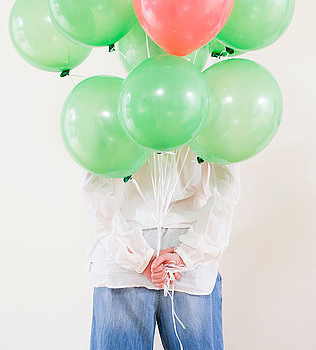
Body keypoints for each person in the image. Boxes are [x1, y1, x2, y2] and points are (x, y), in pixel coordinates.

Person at [82, 145, 241, 350]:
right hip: (187, 258)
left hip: (122, 257)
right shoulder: (214, 113)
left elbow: (96, 190)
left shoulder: (106, 114)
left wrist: (141, 258)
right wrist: (190, 252)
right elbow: (227, 185)